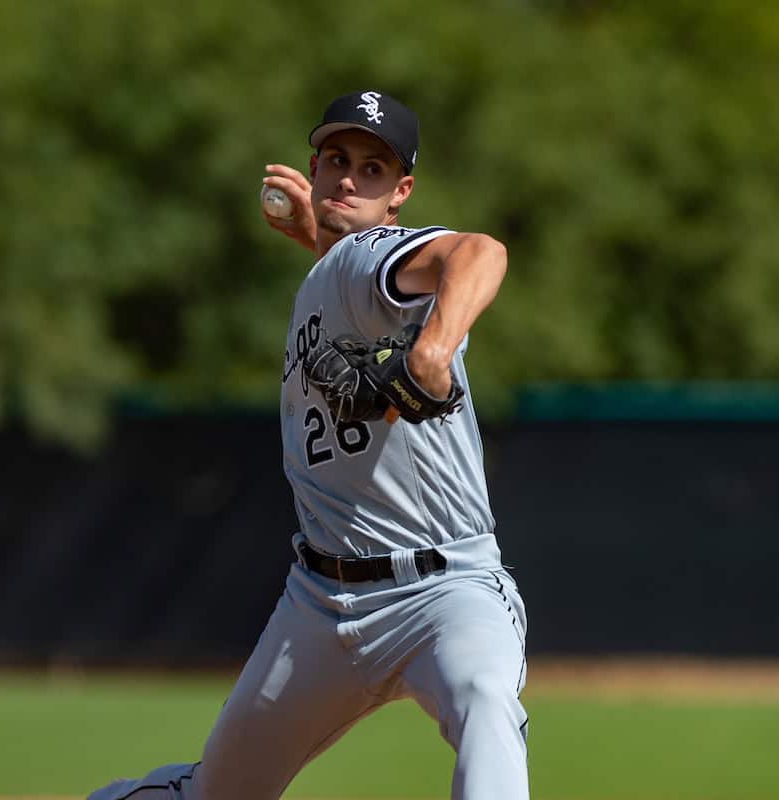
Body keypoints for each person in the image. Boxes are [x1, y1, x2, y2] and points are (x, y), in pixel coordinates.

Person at [87, 90, 528, 800]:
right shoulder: (338, 271)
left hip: (445, 593)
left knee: (484, 701)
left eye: (374, 168)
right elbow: (354, 279)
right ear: (313, 169)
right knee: (220, 794)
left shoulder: (376, 256)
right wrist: (322, 244)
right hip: (322, 606)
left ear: (400, 194)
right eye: (336, 159)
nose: (350, 177)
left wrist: (434, 348)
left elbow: (480, 251)